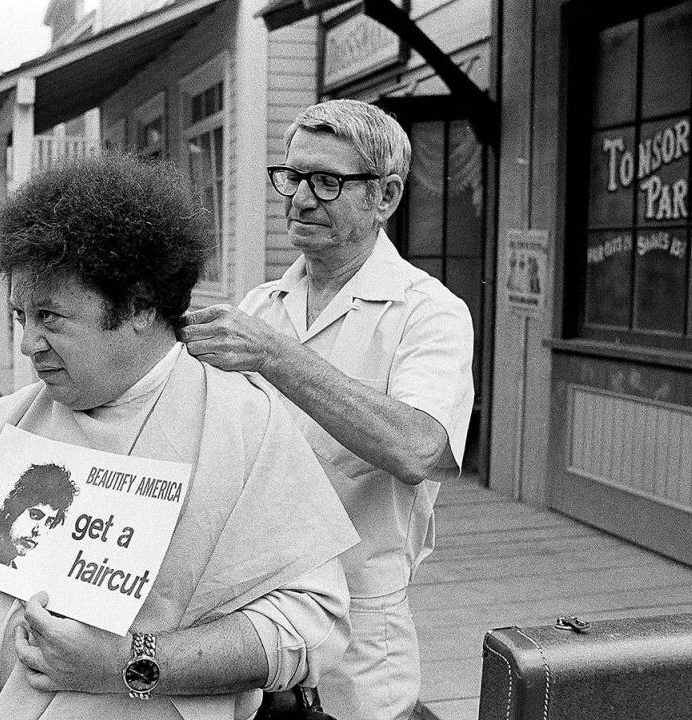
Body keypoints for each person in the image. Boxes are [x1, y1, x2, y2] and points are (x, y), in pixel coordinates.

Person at [0, 152, 359, 720]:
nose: (27, 343)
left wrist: (130, 664)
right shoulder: (6, 423)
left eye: (50, 318)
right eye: (21, 317)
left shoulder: (241, 429)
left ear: (138, 306)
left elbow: (311, 624)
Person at [179, 99, 474, 720]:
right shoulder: (261, 306)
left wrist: (275, 357)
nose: (300, 199)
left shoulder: (427, 311)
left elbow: (421, 448)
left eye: (328, 182)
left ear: (386, 195)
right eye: (292, 177)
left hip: (363, 621)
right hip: (253, 615)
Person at [0, 463, 77, 568]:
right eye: (35, 515)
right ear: (13, 511)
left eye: (49, 522)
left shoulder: (11, 569)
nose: (38, 531)